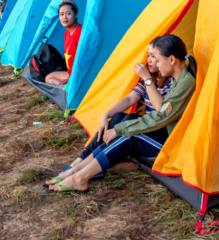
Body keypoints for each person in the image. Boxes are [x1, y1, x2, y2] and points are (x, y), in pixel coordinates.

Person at [48, 35, 197, 193]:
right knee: (124, 123)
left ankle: (80, 177)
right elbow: (135, 101)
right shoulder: (182, 78)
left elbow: (162, 115)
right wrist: (111, 119)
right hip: (167, 134)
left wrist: (120, 129)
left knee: (129, 134)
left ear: (172, 60)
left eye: (157, 59)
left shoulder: (185, 82)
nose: (154, 63)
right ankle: (76, 170)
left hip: (175, 147)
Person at [44, 1, 81, 87]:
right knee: (48, 78)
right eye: (61, 14)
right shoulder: (66, 32)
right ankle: (65, 86)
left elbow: (83, 61)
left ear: (76, 15)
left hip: (79, 74)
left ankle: (68, 86)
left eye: (68, 13)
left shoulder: (80, 33)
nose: (64, 17)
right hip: (70, 73)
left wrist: (71, 78)